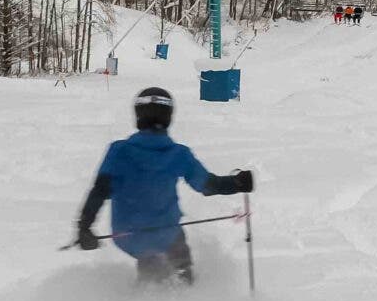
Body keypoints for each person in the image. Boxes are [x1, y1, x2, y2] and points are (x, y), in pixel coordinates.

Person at [73, 86, 253, 284]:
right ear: (168, 117)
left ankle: (145, 296)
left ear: (138, 116)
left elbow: (99, 190)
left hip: (127, 236)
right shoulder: (178, 154)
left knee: (150, 261)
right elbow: (208, 185)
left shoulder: (119, 151)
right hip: (167, 234)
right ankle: (182, 288)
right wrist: (237, 183)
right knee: (178, 262)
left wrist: (85, 227)